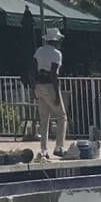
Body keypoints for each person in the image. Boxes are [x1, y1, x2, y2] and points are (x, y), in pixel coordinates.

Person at [32, 27, 68, 158]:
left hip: (39, 85)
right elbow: (54, 74)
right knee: (62, 116)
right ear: (56, 40)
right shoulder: (57, 54)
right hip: (49, 85)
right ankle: (59, 146)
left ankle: (44, 150)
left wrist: (33, 88)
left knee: (44, 119)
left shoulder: (39, 51)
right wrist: (57, 94)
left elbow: (34, 70)